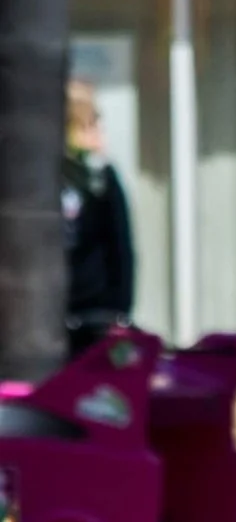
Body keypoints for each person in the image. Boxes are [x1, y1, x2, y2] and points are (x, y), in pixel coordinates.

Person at [61, 78, 136, 350]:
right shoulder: (40, 181)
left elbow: (121, 250)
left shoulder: (101, 180)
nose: (95, 136)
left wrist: (119, 312)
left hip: (94, 315)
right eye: (84, 125)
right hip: (50, 315)